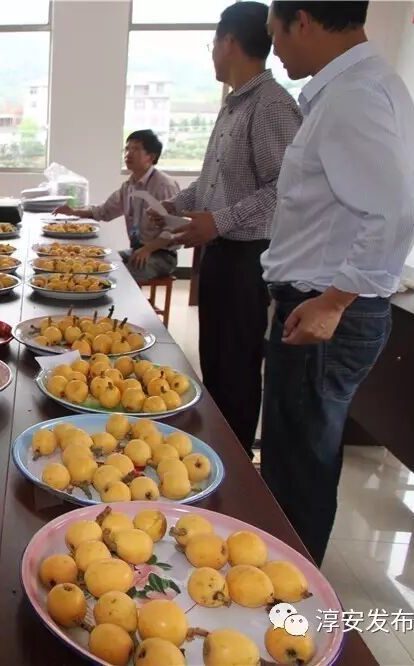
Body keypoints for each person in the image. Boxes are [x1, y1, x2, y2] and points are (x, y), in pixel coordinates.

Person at [260, 1, 414, 565]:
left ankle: (290, 597)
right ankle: (287, 579)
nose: (275, 50)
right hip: (320, 304)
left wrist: (333, 301)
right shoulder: (365, 85)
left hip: (322, 311)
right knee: (298, 458)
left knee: (298, 468)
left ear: (302, 20)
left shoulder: (353, 96)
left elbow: (400, 212)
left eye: (276, 34)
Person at [150, 1, 302, 457]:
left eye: (213, 44)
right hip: (219, 252)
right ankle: (214, 453)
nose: (212, 53)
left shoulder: (272, 105)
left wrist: (219, 221)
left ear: (229, 42)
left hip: (249, 257)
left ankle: (235, 464)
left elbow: (284, 188)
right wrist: (177, 205)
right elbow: (213, 181)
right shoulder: (234, 105)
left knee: (236, 366)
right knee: (214, 362)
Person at [54, 130, 180, 281]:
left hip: (161, 255)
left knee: (117, 276)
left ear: (151, 157)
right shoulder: (129, 186)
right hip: (137, 249)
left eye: (136, 149)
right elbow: (104, 211)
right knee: (96, 262)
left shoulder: (164, 185)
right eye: (127, 149)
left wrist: (147, 249)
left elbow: (174, 230)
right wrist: (73, 211)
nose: (128, 154)